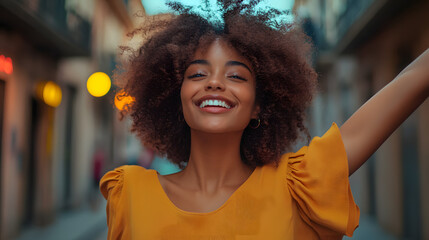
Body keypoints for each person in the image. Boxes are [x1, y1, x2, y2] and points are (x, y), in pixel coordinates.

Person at [99, 1, 429, 239]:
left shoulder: (298, 187)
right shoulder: (128, 193)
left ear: (259, 106)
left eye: (237, 77)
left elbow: (414, 78)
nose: (215, 82)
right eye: (198, 73)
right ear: (178, 96)